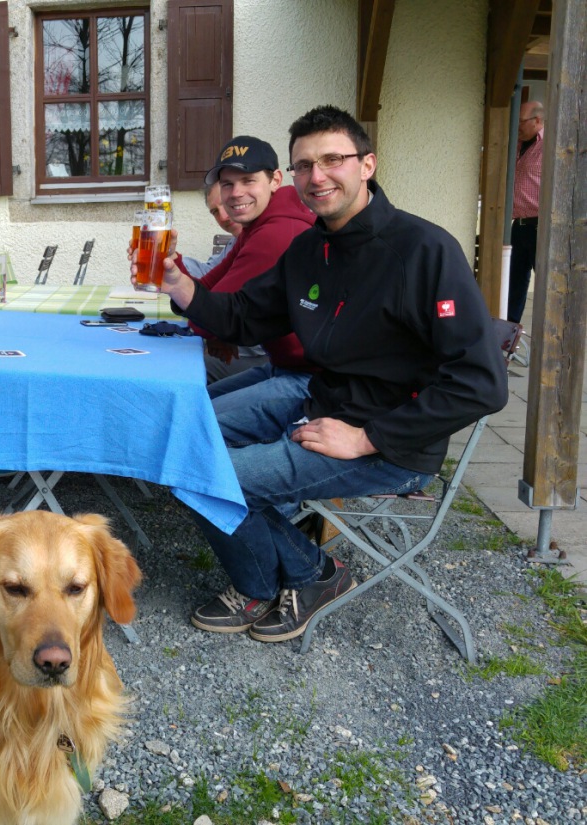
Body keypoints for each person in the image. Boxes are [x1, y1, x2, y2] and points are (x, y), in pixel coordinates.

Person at [160, 105, 508, 643]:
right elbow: (244, 318)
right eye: (303, 165)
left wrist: (367, 437)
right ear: (291, 178)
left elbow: (480, 382)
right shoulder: (309, 248)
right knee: (181, 441)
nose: (316, 176)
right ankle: (287, 574)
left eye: (332, 160)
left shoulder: (425, 249)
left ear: (366, 164)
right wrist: (181, 286)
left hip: (391, 445)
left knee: (204, 474)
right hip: (320, 407)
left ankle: (302, 575)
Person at [172, 136, 317, 385]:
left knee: (197, 417)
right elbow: (207, 289)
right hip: (282, 366)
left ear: (275, 181)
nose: (236, 193)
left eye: (248, 180)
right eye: (227, 184)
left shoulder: (276, 233)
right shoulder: (259, 225)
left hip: (310, 379)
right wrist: (171, 260)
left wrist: (214, 326)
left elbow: (211, 319)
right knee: (193, 399)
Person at [507, 100, 543, 324]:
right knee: (513, 286)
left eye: (521, 121)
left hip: (541, 227)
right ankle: (507, 343)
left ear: (538, 121)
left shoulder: (552, 146)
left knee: (550, 287)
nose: (517, 126)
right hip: (518, 226)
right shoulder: (517, 144)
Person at [177, 188, 242, 277]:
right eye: (215, 211)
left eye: (227, 204)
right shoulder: (236, 241)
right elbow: (208, 271)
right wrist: (171, 258)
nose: (223, 217)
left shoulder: (262, 241)